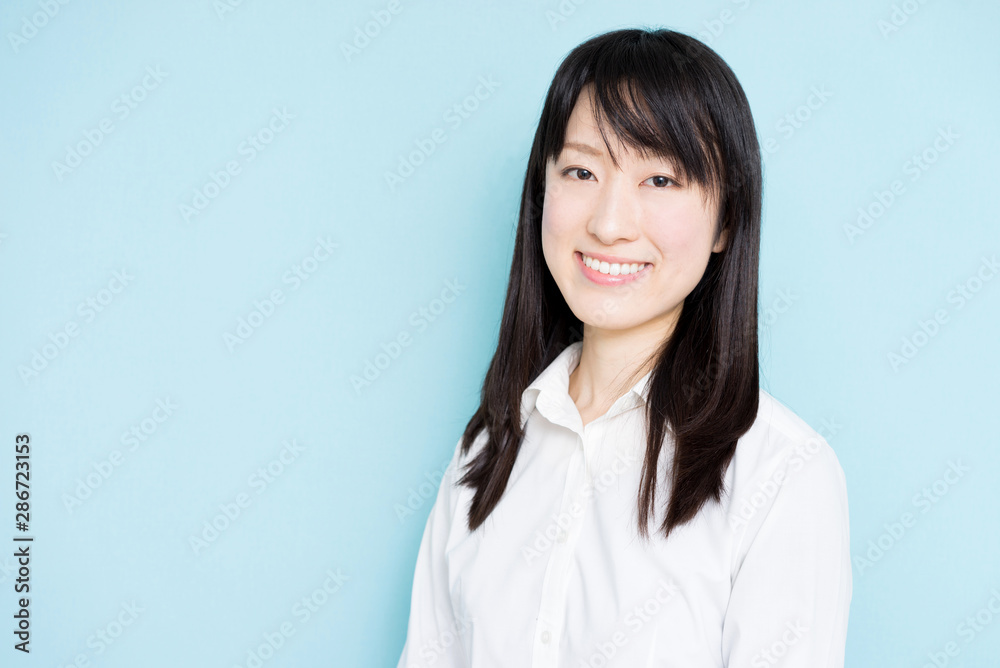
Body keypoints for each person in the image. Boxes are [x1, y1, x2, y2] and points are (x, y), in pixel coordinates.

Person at [396, 27, 851, 667]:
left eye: (660, 180)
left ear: (725, 220)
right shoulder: (487, 451)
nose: (609, 223)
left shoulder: (780, 475)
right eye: (581, 170)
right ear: (542, 191)